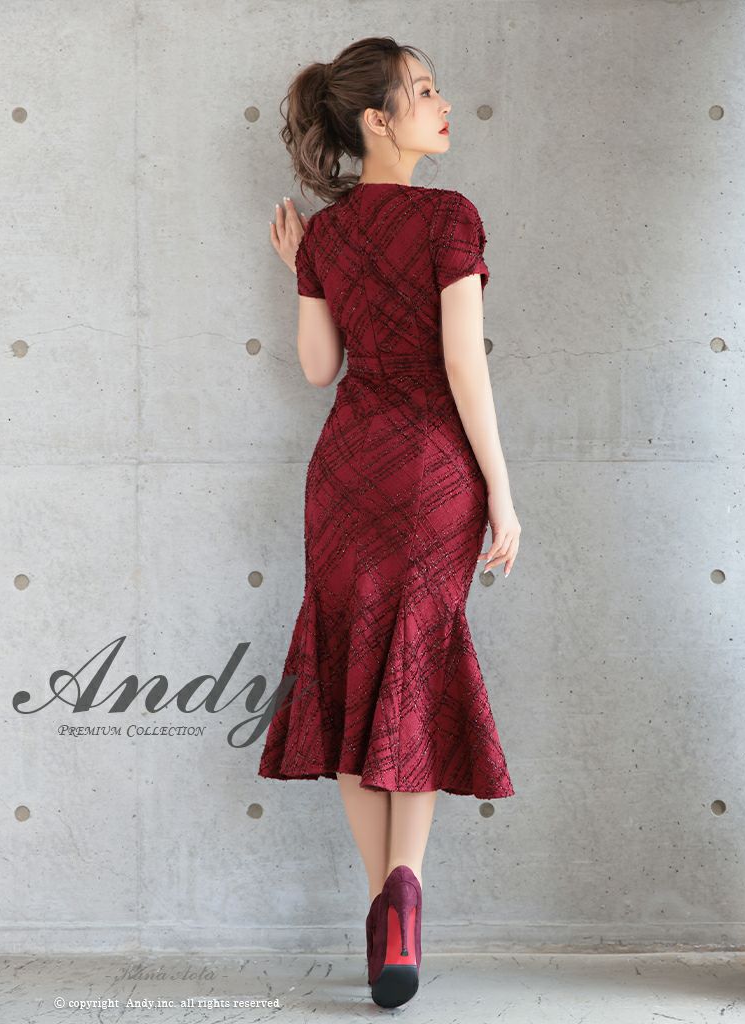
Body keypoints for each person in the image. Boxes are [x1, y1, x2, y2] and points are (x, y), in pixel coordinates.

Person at [258, 35, 522, 1009]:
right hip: (433, 472)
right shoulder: (450, 216)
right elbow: (463, 364)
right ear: (377, 120)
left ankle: (383, 904)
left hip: (345, 474)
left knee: (348, 673)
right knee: (415, 668)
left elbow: (319, 370)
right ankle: (406, 888)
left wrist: (302, 269)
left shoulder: (326, 239)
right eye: (424, 91)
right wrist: (500, 488)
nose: (443, 104)